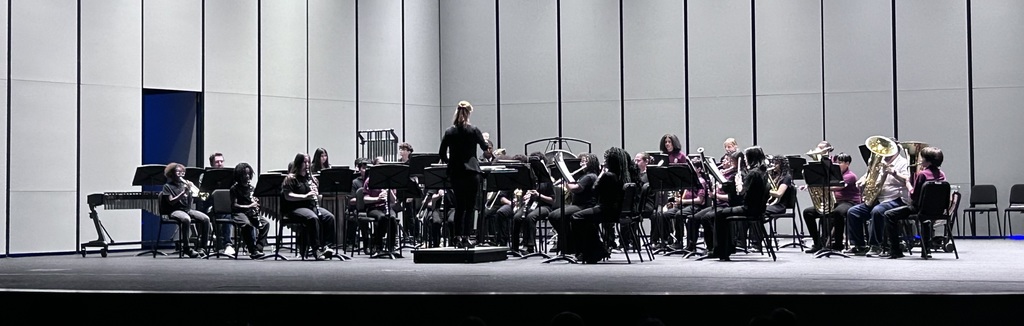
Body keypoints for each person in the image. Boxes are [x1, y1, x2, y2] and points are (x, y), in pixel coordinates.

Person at [701, 146, 770, 261]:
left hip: (749, 209)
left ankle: (722, 251)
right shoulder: (762, 171)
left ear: (751, 158)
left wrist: (738, 183)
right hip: (757, 208)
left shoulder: (752, 174)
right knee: (722, 213)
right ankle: (725, 248)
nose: (745, 160)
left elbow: (741, 193)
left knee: (720, 214)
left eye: (746, 157)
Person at [439, 100, 489, 248]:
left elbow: (442, 153)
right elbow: (485, 147)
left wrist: (451, 163)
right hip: (472, 172)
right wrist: (484, 141)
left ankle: (456, 237)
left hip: (456, 173)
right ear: (469, 113)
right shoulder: (473, 130)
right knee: (470, 206)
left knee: (459, 206)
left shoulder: (450, 131)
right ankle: (467, 237)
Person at [570, 147, 634, 263]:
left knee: (577, 217)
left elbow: (595, 190)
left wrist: (601, 174)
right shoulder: (624, 175)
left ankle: (593, 250)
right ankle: (597, 248)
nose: (604, 162)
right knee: (586, 218)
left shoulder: (608, 176)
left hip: (607, 210)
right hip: (618, 211)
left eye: (606, 159)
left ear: (610, 161)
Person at [845, 145, 910, 256]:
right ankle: (859, 245)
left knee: (877, 211)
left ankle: (876, 246)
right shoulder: (880, 161)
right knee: (853, 212)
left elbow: (908, 180)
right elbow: (868, 174)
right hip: (879, 198)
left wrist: (893, 172)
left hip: (896, 198)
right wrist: (861, 180)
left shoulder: (903, 163)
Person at [882, 147, 946, 259]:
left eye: (922, 158)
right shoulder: (942, 174)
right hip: (937, 210)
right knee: (925, 218)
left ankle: (895, 251)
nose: (920, 160)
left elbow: (913, 196)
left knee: (889, 215)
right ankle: (926, 250)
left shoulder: (922, 175)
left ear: (927, 160)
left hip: (920, 209)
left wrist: (908, 183)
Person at [281, 153, 338, 260]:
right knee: (312, 218)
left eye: (308, 162)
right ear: (298, 163)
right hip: (294, 208)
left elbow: (320, 198)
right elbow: (288, 196)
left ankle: (327, 247)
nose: (307, 165)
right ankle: (316, 250)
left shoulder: (312, 179)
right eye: (304, 162)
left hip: (310, 207)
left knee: (329, 217)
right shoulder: (291, 179)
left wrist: (317, 194)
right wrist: (305, 196)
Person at [801, 152, 861, 253]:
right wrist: (811, 185)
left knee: (838, 212)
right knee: (808, 212)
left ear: (847, 163)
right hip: (836, 202)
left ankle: (838, 244)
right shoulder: (832, 175)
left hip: (849, 202)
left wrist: (819, 186)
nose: (838, 164)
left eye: (840, 162)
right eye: (837, 162)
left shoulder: (850, 176)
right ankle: (817, 243)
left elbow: (838, 187)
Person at [547, 153, 601, 254]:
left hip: (584, 206)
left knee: (556, 216)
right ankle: (568, 243)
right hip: (579, 205)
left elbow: (575, 189)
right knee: (555, 216)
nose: (582, 164)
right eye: (582, 161)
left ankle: (569, 243)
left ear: (592, 163)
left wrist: (566, 179)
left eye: (585, 161)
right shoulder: (585, 176)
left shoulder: (590, 176)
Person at [161, 162, 212, 258]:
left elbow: (191, 201)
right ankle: (186, 248)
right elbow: (171, 202)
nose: (181, 174)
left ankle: (203, 248)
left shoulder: (185, 184)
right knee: (186, 219)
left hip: (187, 209)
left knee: (206, 219)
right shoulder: (167, 186)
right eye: (178, 172)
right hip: (174, 210)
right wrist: (183, 192)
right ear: (172, 173)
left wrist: (190, 191)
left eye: (183, 172)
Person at [511, 152, 556, 253]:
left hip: (545, 206)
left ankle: (530, 246)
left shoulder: (547, 180)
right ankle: (515, 246)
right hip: (532, 204)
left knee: (530, 217)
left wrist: (538, 195)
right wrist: (526, 196)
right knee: (517, 217)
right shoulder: (530, 179)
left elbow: (552, 200)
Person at [229, 162, 270, 259]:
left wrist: (256, 205)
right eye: (244, 174)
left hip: (250, 213)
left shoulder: (252, 188)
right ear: (239, 175)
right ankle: (252, 250)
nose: (247, 176)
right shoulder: (234, 189)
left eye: (248, 174)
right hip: (238, 213)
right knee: (247, 225)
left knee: (265, 224)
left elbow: (255, 202)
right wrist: (249, 206)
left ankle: (258, 248)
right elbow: (234, 205)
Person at [362, 158, 401, 255]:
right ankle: (378, 246)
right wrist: (377, 199)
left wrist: (389, 190)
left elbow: (394, 200)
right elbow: (365, 199)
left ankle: (391, 247)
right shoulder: (369, 180)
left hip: (386, 206)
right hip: (373, 207)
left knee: (392, 218)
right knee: (382, 218)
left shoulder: (390, 180)